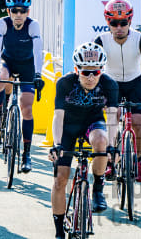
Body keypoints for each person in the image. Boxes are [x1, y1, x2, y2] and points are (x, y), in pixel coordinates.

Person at [49, 43, 119, 239]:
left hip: (92, 123)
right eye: (85, 72)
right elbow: (58, 116)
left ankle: (98, 187)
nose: (90, 77)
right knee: (60, 179)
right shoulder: (64, 83)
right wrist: (56, 144)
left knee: (101, 140)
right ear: (76, 70)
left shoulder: (109, 84)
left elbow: (112, 117)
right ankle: (59, 230)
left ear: (101, 70)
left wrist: (113, 147)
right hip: (68, 127)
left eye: (95, 72)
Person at [94, 0, 141, 182]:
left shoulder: (140, 39)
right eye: (114, 23)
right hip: (111, 83)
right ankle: (110, 160)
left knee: (138, 123)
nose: (119, 27)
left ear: (130, 21)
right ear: (107, 22)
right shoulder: (101, 40)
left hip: (134, 82)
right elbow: (94, 70)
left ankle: (137, 160)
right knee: (112, 119)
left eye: (123, 23)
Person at [0, 0, 44, 173]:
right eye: (14, 11)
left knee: (26, 108)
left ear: (28, 12)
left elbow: (38, 51)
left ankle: (26, 154)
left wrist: (38, 74)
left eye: (23, 11)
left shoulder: (33, 25)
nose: (19, 15)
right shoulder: (1, 23)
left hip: (27, 66)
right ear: (8, 11)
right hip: (8, 61)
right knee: (1, 78)